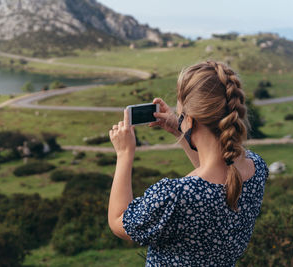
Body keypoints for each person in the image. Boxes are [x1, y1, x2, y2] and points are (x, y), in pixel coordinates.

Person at [108, 60, 269, 266]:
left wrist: (124, 153)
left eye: (181, 114)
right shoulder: (256, 168)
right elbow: (212, 173)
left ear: (190, 120)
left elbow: (119, 222)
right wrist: (179, 129)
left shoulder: (176, 196)